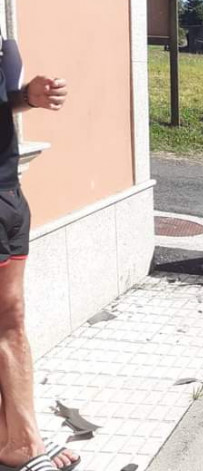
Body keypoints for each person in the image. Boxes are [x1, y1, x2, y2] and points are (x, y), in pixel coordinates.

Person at [0, 41, 74, 471]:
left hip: (9, 189)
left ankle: (18, 439)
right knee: (7, 322)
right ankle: (24, 442)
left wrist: (26, 96)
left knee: (12, 319)